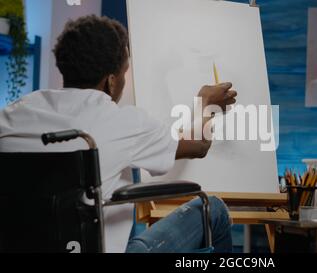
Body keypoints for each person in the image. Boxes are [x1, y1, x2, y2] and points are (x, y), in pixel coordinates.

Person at [0, 15, 238, 253]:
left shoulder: (12, 115)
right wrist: (207, 104)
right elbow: (198, 145)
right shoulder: (123, 122)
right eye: (124, 72)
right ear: (111, 81)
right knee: (213, 210)